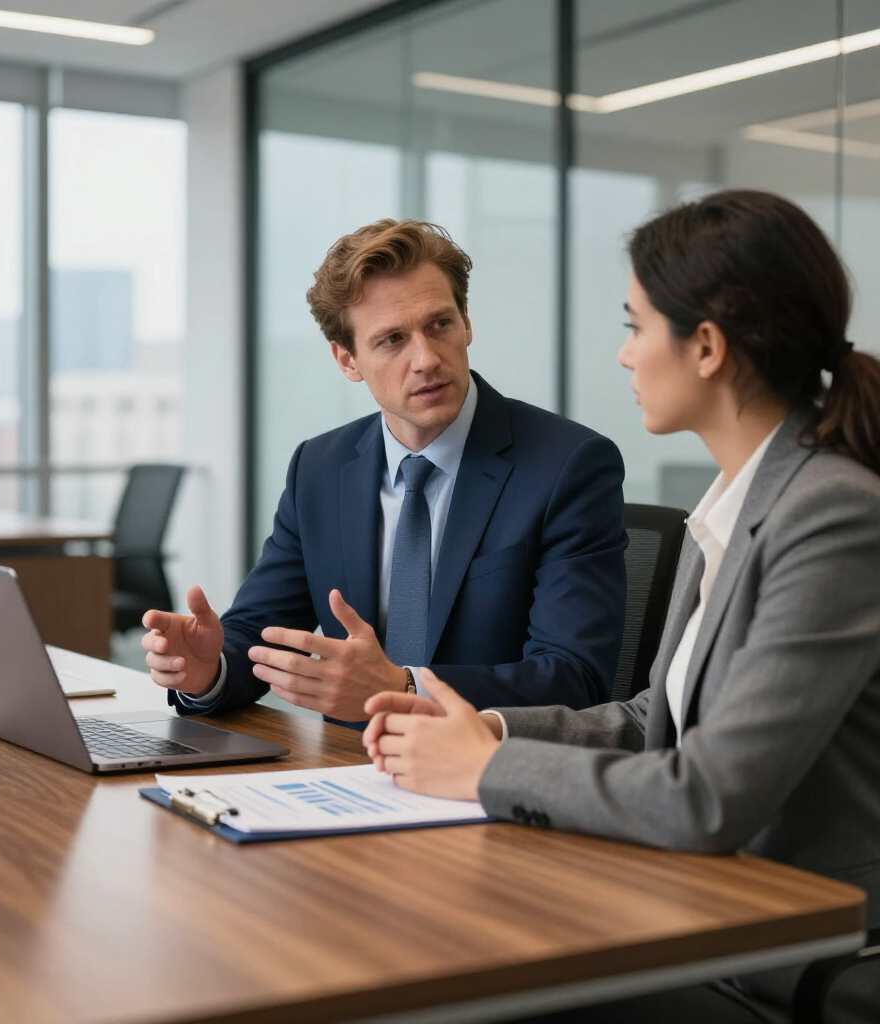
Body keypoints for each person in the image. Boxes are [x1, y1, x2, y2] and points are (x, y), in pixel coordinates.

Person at [364, 191, 880, 1022]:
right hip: (705, 908)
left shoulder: (832, 513)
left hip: (795, 956)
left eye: (637, 326)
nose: (624, 355)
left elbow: (703, 797)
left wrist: (486, 771)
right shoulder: (735, 504)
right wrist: (489, 731)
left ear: (705, 347)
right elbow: (656, 716)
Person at [142, 218, 628, 727]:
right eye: (392, 339)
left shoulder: (568, 465)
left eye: (439, 324)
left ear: (466, 322)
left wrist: (405, 688)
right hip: (346, 773)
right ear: (347, 360)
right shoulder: (320, 468)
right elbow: (262, 638)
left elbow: (574, 678)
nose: (426, 359)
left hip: (488, 780)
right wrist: (207, 671)